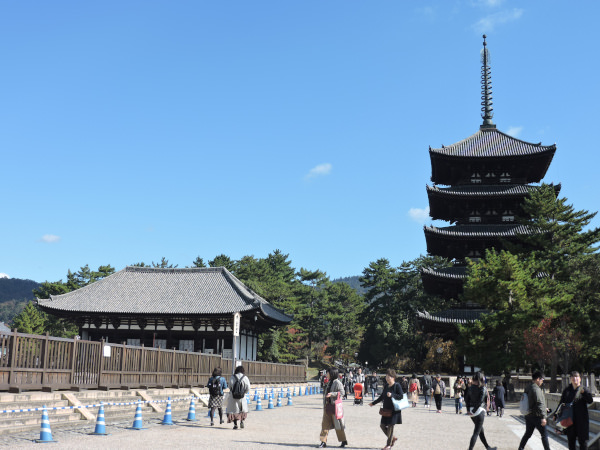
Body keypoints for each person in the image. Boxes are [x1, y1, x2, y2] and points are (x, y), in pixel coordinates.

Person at [557, 370, 594, 450]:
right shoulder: (567, 390)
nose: (575, 379)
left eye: (577, 377)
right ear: (570, 379)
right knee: (571, 442)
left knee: (583, 442)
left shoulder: (583, 389)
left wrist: (584, 393)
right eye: (573, 377)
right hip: (570, 420)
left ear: (580, 379)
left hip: (581, 420)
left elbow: (590, 400)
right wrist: (556, 415)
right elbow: (561, 403)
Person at [369, 368, 404, 450]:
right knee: (382, 425)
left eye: (388, 377)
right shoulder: (386, 386)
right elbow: (382, 397)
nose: (386, 378)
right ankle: (393, 438)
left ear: (393, 377)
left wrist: (392, 395)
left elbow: (401, 396)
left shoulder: (397, 385)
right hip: (386, 410)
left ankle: (388, 445)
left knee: (391, 427)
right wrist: (373, 403)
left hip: (394, 410)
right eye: (386, 377)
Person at [518, 371, 551, 450]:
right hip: (537, 416)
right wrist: (543, 417)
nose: (542, 381)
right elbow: (539, 403)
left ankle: (521, 448)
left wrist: (544, 408)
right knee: (544, 435)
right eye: (542, 379)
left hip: (529, 415)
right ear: (537, 379)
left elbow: (530, 401)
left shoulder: (528, 387)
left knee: (528, 433)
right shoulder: (536, 389)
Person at [318, 367, 348, 448]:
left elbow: (342, 392)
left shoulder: (337, 382)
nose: (326, 374)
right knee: (324, 425)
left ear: (332, 374)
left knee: (338, 425)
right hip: (327, 406)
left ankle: (343, 441)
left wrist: (332, 394)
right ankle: (323, 442)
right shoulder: (329, 382)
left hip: (335, 407)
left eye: (328, 373)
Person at [467, 371, 497, 450]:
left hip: (471, 411)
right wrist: (474, 409)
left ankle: (487, 447)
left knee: (480, 430)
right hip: (479, 411)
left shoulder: (470, 388)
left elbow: (467, 399)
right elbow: (480, 401)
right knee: (476, 432)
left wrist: (468, 410)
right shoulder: (482, 388)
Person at [226, 365, 250, 430]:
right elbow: (248, 388)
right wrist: (244, 393)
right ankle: (241, 421)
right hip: (242, 397)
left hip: (233, 397)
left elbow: (229, 386)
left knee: (234, 410)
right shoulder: (245, 378)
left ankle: (235, 424)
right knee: (242, 409)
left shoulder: (232, 377)